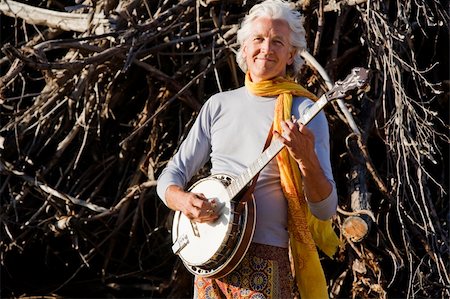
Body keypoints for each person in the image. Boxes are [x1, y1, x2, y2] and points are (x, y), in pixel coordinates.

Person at [157, 0, 340, 298]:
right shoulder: (218, 105)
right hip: (210, 260)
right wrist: (181, 199)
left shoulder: (305, 110)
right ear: (243, 48)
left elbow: (325, 209)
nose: (266, 48)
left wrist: (306, 159)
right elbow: (172, 174)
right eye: (258, 39)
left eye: (277, 41)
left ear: (291, 53)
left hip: (266, 260)